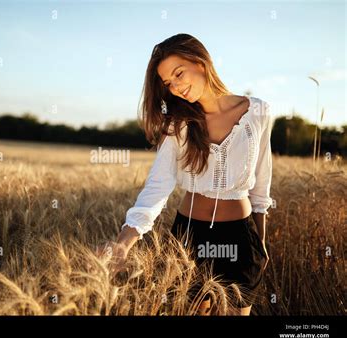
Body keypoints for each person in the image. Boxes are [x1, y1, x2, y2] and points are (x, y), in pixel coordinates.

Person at [97, 33, 273, 316]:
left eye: (178, 74)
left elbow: (262, 180)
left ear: (200, 62)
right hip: (190, 239)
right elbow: (158, 185)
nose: (176, 87)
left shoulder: (259, 111)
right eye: (168, 83)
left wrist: (260, 242)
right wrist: (123, 244)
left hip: (241, 237)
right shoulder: (178, 123)